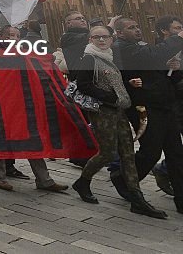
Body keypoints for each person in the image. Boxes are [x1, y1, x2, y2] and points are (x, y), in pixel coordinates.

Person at [70, 24, 166, 218]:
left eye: (105, 37)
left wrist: (126, 86)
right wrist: (110, 98)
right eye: (97, 37)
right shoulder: (90, 58)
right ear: (90, 40)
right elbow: (84, 85)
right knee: (106, 153)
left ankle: (136, 198)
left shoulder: (110, 57)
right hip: (103, 112)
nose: (102, 40)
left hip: (119, 111)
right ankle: (82, 182)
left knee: (128, 153)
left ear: (112, 39)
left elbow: (115, 82)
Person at [112, 16, 183, 212]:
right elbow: (152, 55)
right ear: (119, 33)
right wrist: (179, 37)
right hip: (144, 108)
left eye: (137, 26)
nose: (137, 29)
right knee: (151, 152)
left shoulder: (140, 47)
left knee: (176, 153)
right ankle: (122, 178)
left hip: (164, 105)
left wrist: (171, 69)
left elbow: (156, 70)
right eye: (131, 27)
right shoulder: (122, 49)